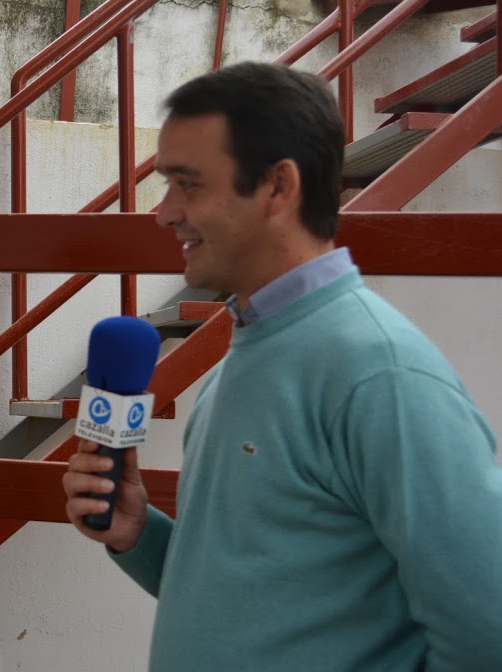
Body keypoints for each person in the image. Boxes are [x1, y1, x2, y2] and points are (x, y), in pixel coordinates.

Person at [63, 61, 502, 670]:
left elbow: (486, 637)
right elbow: (257, 601)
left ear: (278, 187)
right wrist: (140, 536)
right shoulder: (234, 366)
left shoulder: (382, 376)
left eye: (187, 185)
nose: (164, 212)